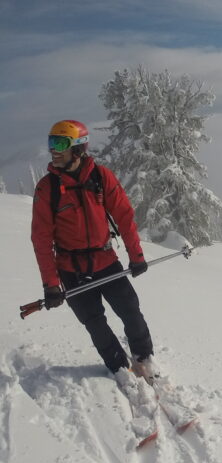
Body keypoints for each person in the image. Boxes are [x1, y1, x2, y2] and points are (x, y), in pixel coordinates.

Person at [30, 119, 159, 382]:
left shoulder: (100, 177)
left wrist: (136, 256)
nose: (53, 150)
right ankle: (120, 368)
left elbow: (124, 215)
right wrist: (51, 285)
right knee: (95, 323)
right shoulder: (47, 189)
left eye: (60, 143)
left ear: (78, 147)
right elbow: (41, 239)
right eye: (51, 142)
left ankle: (144, 359)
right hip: (72, 270)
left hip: (106, 261)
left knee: (131, 311)